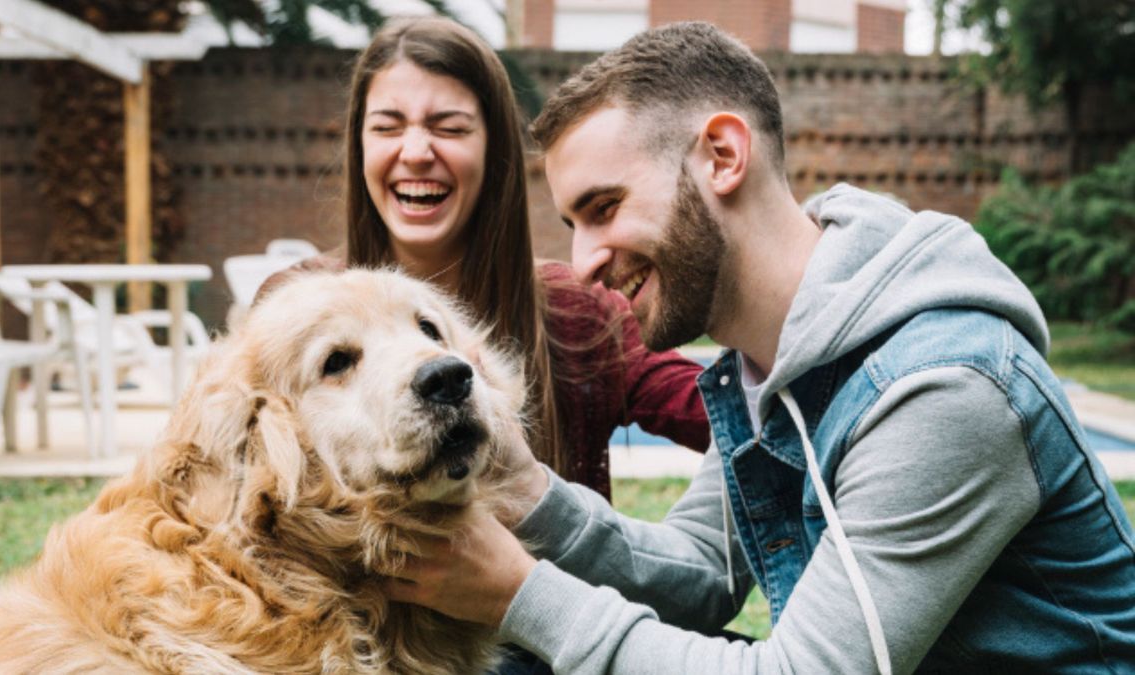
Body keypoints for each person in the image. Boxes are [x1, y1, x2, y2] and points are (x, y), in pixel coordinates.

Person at [383, 21, 1135, 673]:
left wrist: (519, 596)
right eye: (574, 224)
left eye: (604, 207)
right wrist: (531, 495)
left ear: (722, 155)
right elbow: (703, 572)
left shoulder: (943, 386)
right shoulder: (764, 366)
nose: (583, 263)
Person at [261, 14, 710, 504]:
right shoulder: (289, 316)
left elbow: (735, 418)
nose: (416, 151)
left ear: (493, 149)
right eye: (387, 127)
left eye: (449, 128)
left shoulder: (578, 312)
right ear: (359, 145)